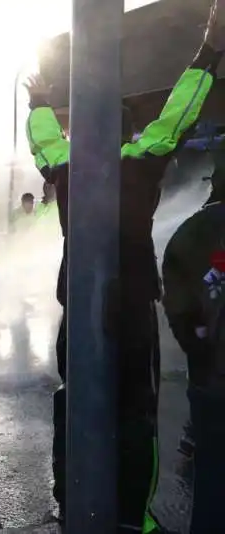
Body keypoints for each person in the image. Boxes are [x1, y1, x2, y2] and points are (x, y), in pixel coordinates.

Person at [23, 3, 222, 531]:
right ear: (127, 134)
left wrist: (39, 101)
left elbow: (43, 141)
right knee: (137, 412)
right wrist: (209, 53)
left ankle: (72, 505)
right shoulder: (136, 166)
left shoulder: (65, 171)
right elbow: (176, 117)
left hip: (79, 310)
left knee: (73, 402)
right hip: (130, 307)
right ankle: (133, 519)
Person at [161, 156, 225, 534]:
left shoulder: (189, 232)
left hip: (210, 382)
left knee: (213, 478)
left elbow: (177, 307)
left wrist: (198, 353)